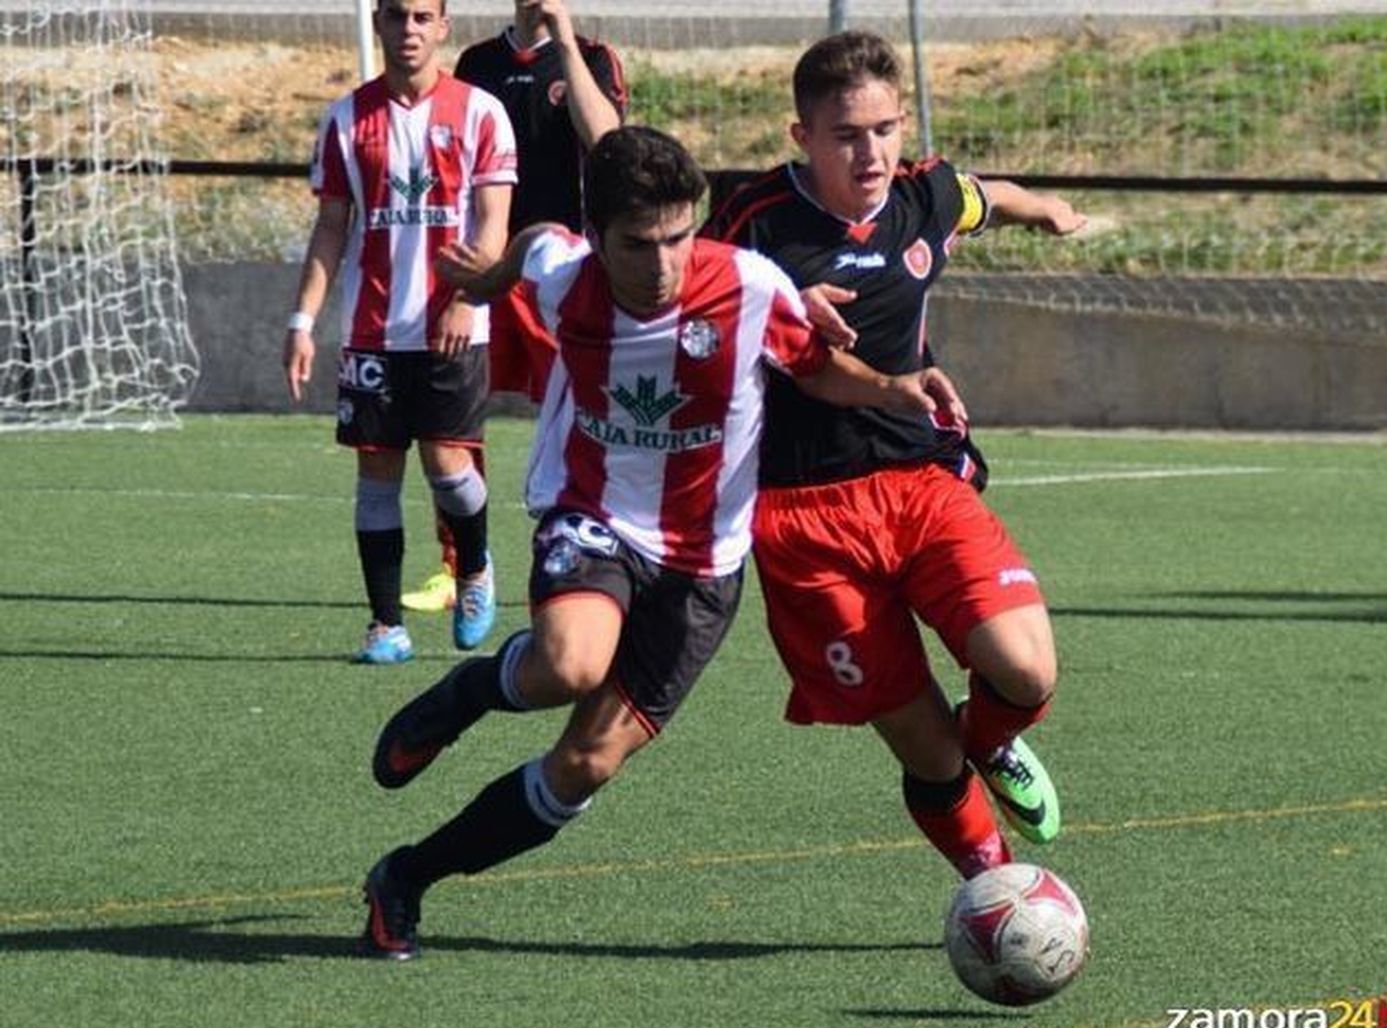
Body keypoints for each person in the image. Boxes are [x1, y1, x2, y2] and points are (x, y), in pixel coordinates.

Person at [356, 126, 969, 960]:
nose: (664, 263)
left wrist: (896, 387)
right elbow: (536, 244)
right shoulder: (568, 283)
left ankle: (406, 877)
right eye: (639, 244)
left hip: (705, 568)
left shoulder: (751, 285)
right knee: (569, 663)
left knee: (586, 762)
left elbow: (815, 366)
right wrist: (488, 281)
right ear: (600, 236)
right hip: (594, 517)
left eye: (680, 237)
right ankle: (469, 695)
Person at [700, 30, 1090, 876]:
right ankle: (998, 888)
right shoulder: (754, 222)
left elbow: (990, 196)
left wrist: (1048, 210)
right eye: (846, 134)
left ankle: (993, 737)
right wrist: (775, 300)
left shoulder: (927, 195)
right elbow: (689, 310)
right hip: (802, 512)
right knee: (926, 749)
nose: (870, 151)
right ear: (802, 136)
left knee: (1024, 669)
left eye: (884, 128)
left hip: (920, 479)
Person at [282, 0, 512, 663]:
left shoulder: (480, 112)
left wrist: (467, 298)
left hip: (453, 323)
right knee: (376, 474)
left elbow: (493, 222)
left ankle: (473, 568)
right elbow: (331, 229)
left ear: (442, 27)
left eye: (420, 17)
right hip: (372, 329)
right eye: (394, 17)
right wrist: (302, 322)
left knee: (448, 465)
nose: (407, 31)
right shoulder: (346, 119)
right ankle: (385, 625)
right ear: (377, 25)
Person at [402, 0, 627, 615]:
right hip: (484, 264)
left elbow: (607, 139)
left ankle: (577, 556)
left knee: (574, 420)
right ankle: (459, 564)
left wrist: (563, 38)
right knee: (453, 419)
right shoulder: (478, 62)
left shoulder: (593, 58)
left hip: (561, 274)